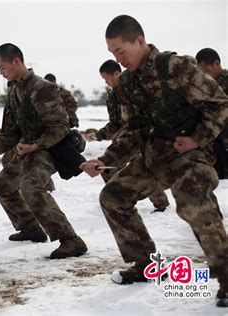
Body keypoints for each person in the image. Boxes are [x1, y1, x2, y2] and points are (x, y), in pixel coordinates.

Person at [80, 15, 227, 308]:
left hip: (189, 153)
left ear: (140, 41)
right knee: (113, 197)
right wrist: (106, 159)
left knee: (192, 199)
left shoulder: (177, 68)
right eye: (112, 54)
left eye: (121, 50)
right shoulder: (128, 84)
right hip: (154, 157)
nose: (118, 59)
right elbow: (133, 130)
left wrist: (197, 138)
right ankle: (144, 264)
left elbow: (220, 105)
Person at [0, 43, 87, 259]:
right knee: (2, 184)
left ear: (16, 61)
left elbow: (60, 127)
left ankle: (71, 240)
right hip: (29, 149)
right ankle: (31, 228)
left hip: (50, 148)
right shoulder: (14, 91)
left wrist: (36, 145)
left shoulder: (43, 87)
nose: (1, 74)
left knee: (31, 187)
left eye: (3, 67)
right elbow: (10, 133)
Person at [84, 60, 170, 212]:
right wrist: (98, 135)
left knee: (146, 168)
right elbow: (115, 124)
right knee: (106, 168)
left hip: (145, 137)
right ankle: (120, 198)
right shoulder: (112, 98)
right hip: (125, 141)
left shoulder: (136, 88)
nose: (106, 83)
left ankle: (161, 203)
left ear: (117, 73)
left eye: (107, 79)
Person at [195, 48, 228, 179]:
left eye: (205, 71)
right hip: (217, 145)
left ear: (216, 63)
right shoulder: (208, 87)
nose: (204, 75)